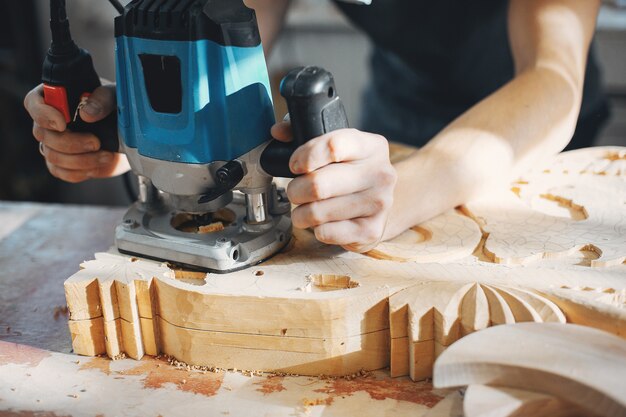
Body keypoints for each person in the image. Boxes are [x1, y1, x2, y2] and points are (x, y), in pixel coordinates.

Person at [24, 0, 606, 254]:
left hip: (527, 137)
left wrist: (408, 187)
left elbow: (552, 79)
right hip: (401, 111)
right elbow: (244, 21)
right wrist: (161, 124)